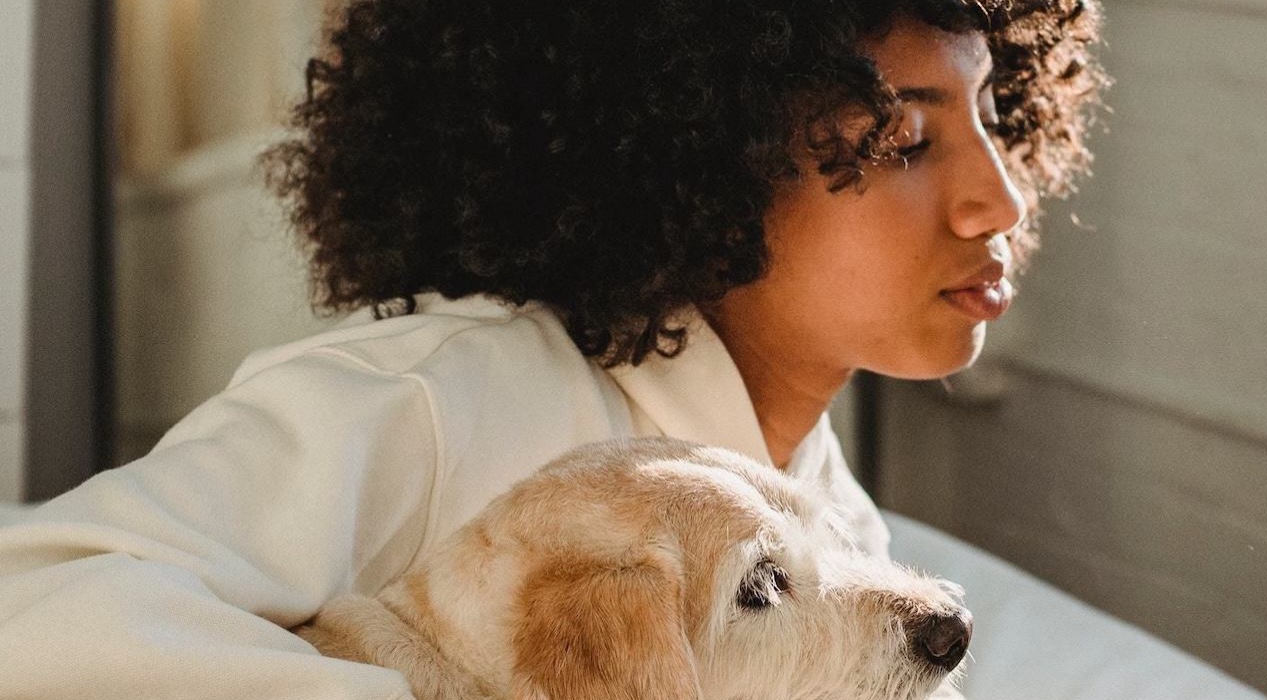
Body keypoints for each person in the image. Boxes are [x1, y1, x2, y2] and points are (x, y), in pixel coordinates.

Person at [0, 0, 1105, 697]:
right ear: (698, 156)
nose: (998, 200)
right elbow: (38, 611)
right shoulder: (440, 398)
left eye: (996, 118)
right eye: (904, 141)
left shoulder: (831, 516)